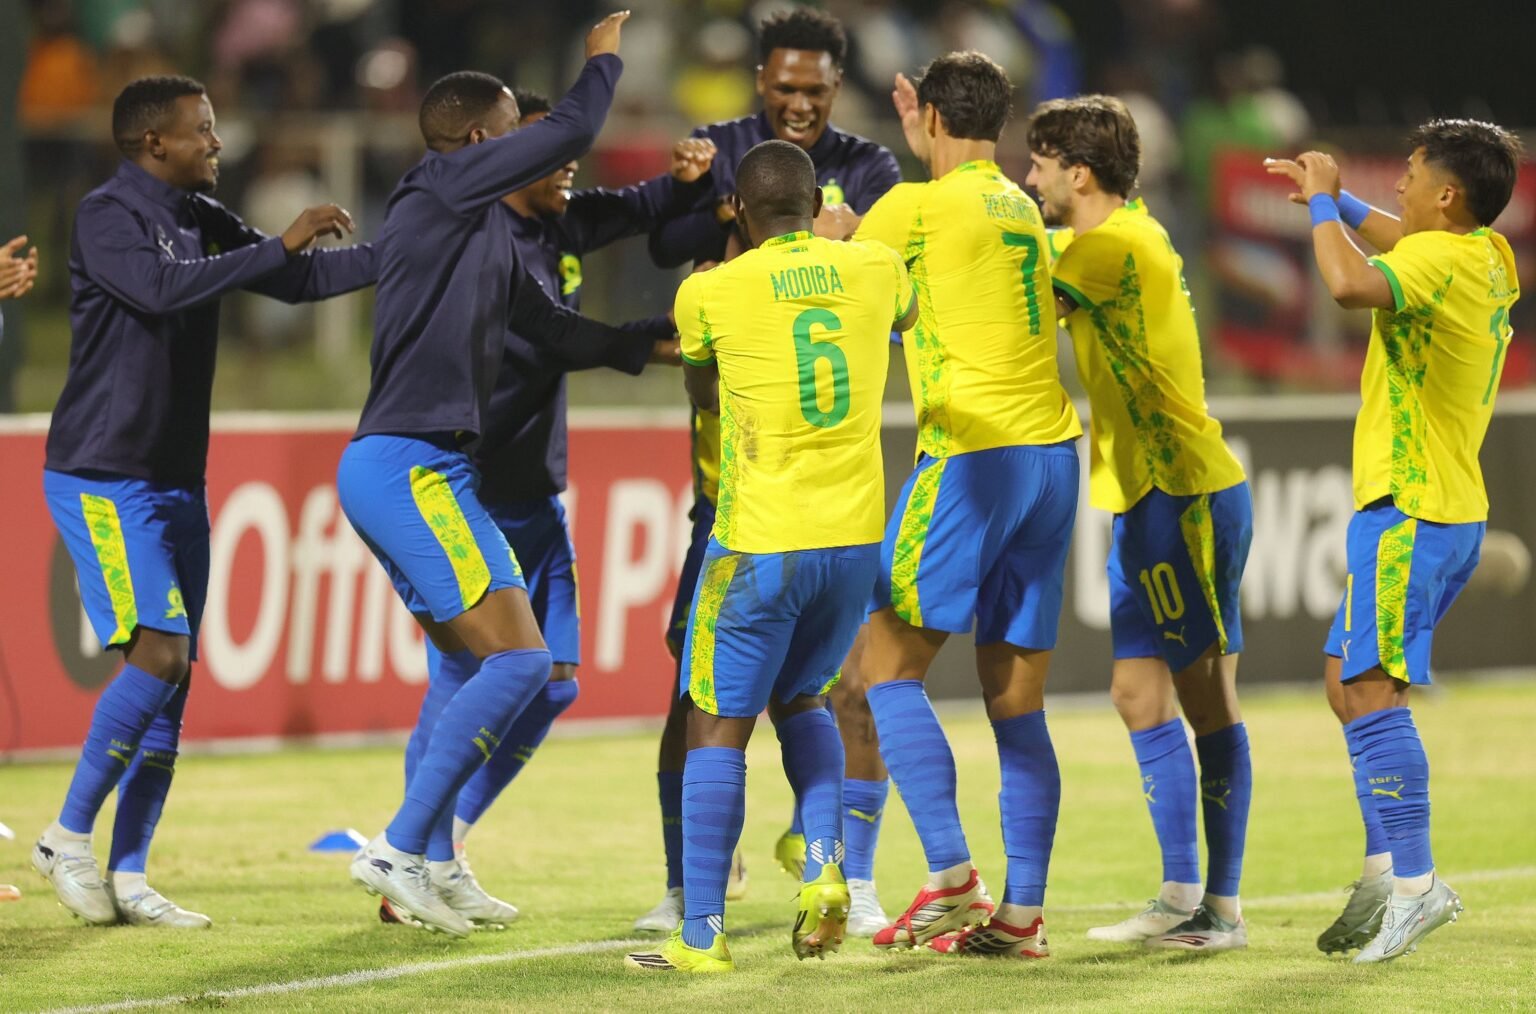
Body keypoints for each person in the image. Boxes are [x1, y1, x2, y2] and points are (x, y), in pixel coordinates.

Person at [33, 75, 375, 929]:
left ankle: (132, 873)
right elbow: (158, 291)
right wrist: (282, 242)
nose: (218, 145)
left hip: (179, 477)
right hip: (105, 476)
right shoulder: (107, 215)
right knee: (160, 654)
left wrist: (417, 249)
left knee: (173, 681)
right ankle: (66, 836)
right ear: (155, 142)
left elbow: (295, 282)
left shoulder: (199, 214)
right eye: (204, 132)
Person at [375, 89, 710, 929]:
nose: (565, 164)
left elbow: (631, 210)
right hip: (473, 480)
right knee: (467, 675)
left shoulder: (556, 221)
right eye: (543, 151)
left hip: (537, 490)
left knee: (554, 682)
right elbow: (552, 338)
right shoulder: (475, 235)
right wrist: (646, 341)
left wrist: (684, 182)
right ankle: (414, 855)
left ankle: (437, 845)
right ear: (499, 157)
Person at [338, 12, 630, 938]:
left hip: (430, 468)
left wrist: (656, 346)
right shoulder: (440, 185)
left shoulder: (483, 238)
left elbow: (551, 329)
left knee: (489, 665)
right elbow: (577, 127)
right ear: (477, 143)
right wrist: (602, 58)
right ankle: (402, 846)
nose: (532, 145)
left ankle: (430, 858)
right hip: (408, 462)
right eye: (514, 130)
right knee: (526, 660)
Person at [637, 5, 904, 938]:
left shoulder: (713, 287)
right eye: (784, 86)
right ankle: (826, 873)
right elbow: (899, 301)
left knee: (716, 715)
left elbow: (702, 376)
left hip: (750, 523)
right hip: (851, 532)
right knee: (807, 699)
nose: (799, 100)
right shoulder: (872, 267)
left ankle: (700, 928)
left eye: (813, 88)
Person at [1265, 120, 1521, 963]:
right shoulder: (1486, 255)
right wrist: (1334, 197)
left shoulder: (1433, 259)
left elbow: (1344, 282)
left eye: (1410, 176)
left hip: (1412, 508)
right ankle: (1384, 869)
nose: (1400, 189)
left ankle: (1417, 886)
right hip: (1444, 506)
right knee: (1347, 680)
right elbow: (1394, 235)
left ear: (1446, 195)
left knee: (1372, 691)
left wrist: (1320, 214)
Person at [852, 51, 1082, 958]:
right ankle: (1022, 915)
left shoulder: (911, 205)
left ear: (931, 118)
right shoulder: (1019, 205)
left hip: (972, 453)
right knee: (1016, 701)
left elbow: (843, 302)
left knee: (885, 667)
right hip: (1053, 454)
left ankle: (951, 879)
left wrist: (836, 229)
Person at [1026, 95, 1254, 951]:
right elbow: (1040, 249)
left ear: (1077, 172)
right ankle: (1178, 891)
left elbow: (1014, 297)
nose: (1030, 177)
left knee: (1208, 702)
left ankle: (1222, 911)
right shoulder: (1123, 232)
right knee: (1135, 693)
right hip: (1140, 496)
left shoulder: (1112, 246)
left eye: (1041, 163)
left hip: (1185, 496)